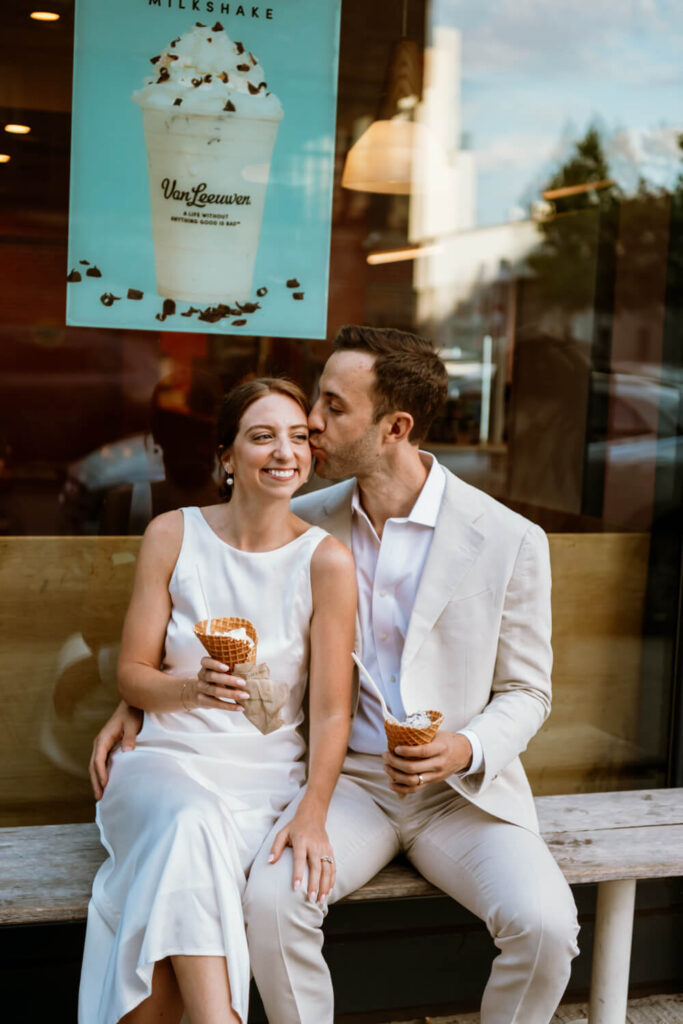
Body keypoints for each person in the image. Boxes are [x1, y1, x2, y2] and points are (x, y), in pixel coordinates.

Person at [91, 327, 580, 1024]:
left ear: (394, 427)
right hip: (348, 783)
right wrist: (137, 704)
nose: (309, 426)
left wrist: (463, 749)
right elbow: (213, 614)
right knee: (271, 901)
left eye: (331, 406)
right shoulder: (303, 520)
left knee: (546, 927)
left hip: (459, 797)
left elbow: (528, 691)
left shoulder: (506, 538)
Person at [79, 377, 356, 1024]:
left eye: (297, 437)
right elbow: (131, 674)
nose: (284, 451)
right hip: (162, 763)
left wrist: (313, 809)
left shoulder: (326, 562)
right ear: (226, 457)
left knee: (157, 946)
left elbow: (331, 711)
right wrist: (187, 689)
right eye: (261, 437)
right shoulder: (173, 535)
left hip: (263, 783)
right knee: (189, 823)